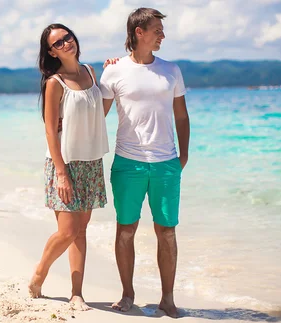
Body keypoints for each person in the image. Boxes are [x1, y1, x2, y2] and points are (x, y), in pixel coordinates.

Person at [99, 8, 190, 318]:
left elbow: (181, 114)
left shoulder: (172, 70)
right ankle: (127, 295)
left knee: (167, 232)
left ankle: (167, 298)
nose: (162, 35)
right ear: (139, 32)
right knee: (126, 229)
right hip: (128, 163)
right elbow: (98, 116)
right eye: (157, 30)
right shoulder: (114, 71)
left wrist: (184, 156)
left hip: (166, 164)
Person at [28, 23, 109, 311]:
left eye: (68, 37)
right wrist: (61, 173)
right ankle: (40, 272)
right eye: (58, 43)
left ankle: (77, 294)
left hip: (90, 161)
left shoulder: (90, 71)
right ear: (50, 51)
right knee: (67, 231)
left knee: (81, 231)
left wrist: (110, 72)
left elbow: (98, 112)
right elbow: (50, 130)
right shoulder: (54, 82)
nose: (66, 43)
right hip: (64, 163)